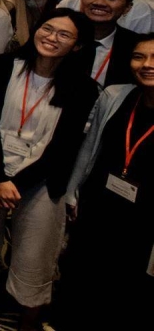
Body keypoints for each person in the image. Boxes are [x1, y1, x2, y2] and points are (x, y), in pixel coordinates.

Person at [0, 10, 98, 331]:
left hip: (43, 176)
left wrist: (17, 183)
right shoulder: (6, 65)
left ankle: (28, 319)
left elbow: (64, 146)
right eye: (48, 28)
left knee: (38, 249)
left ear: (77, 46)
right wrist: (2, 179)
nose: (51, 37)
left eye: (64, 34)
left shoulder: (84, 88)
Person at [53, 35, 154, 329]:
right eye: (139, 57)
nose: (147, 65)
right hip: (100, 205)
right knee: (82, 273)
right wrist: (72, 192)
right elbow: (89, 149)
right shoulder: (116, 95)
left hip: (144, 220)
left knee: (129, 289)